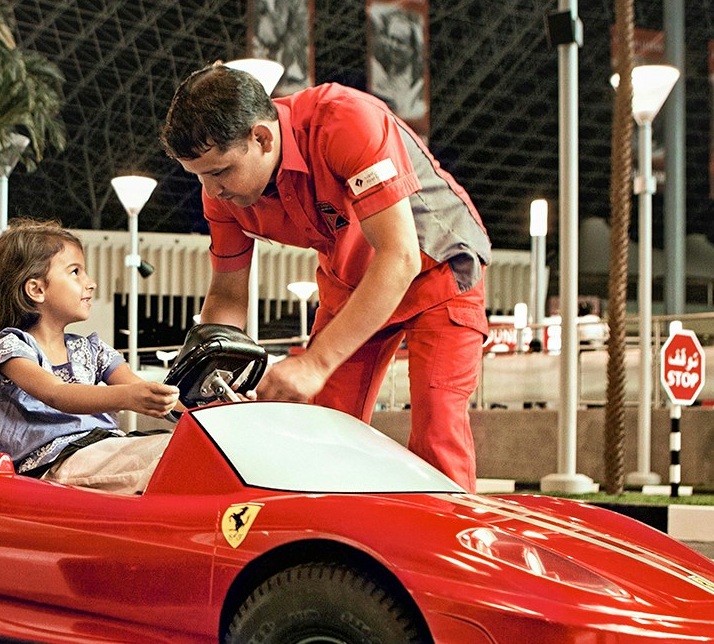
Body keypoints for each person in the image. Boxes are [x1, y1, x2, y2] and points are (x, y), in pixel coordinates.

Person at [160, 63, 492, 489]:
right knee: (323, 428)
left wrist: (315, 363)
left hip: (438, 270)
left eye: (220, 171)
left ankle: (446, 548)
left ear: (262, 137)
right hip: (350, 284)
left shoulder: (346, 120)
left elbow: (399, 256)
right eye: (200, 177)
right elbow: (226, 293)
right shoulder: (221, 196)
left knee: (436, 425)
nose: (212, 191)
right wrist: (207, 379)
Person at [0, 220, 180, 494]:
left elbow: (144, 388)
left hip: (100, 451)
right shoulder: (14, 347)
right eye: (75, 272)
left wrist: (207, 409)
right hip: (49, 465)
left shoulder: (91, 350)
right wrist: (129, 396)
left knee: (189, 450)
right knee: (167, 458)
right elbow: (56, 394)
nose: (90, 283)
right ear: (36, 289)